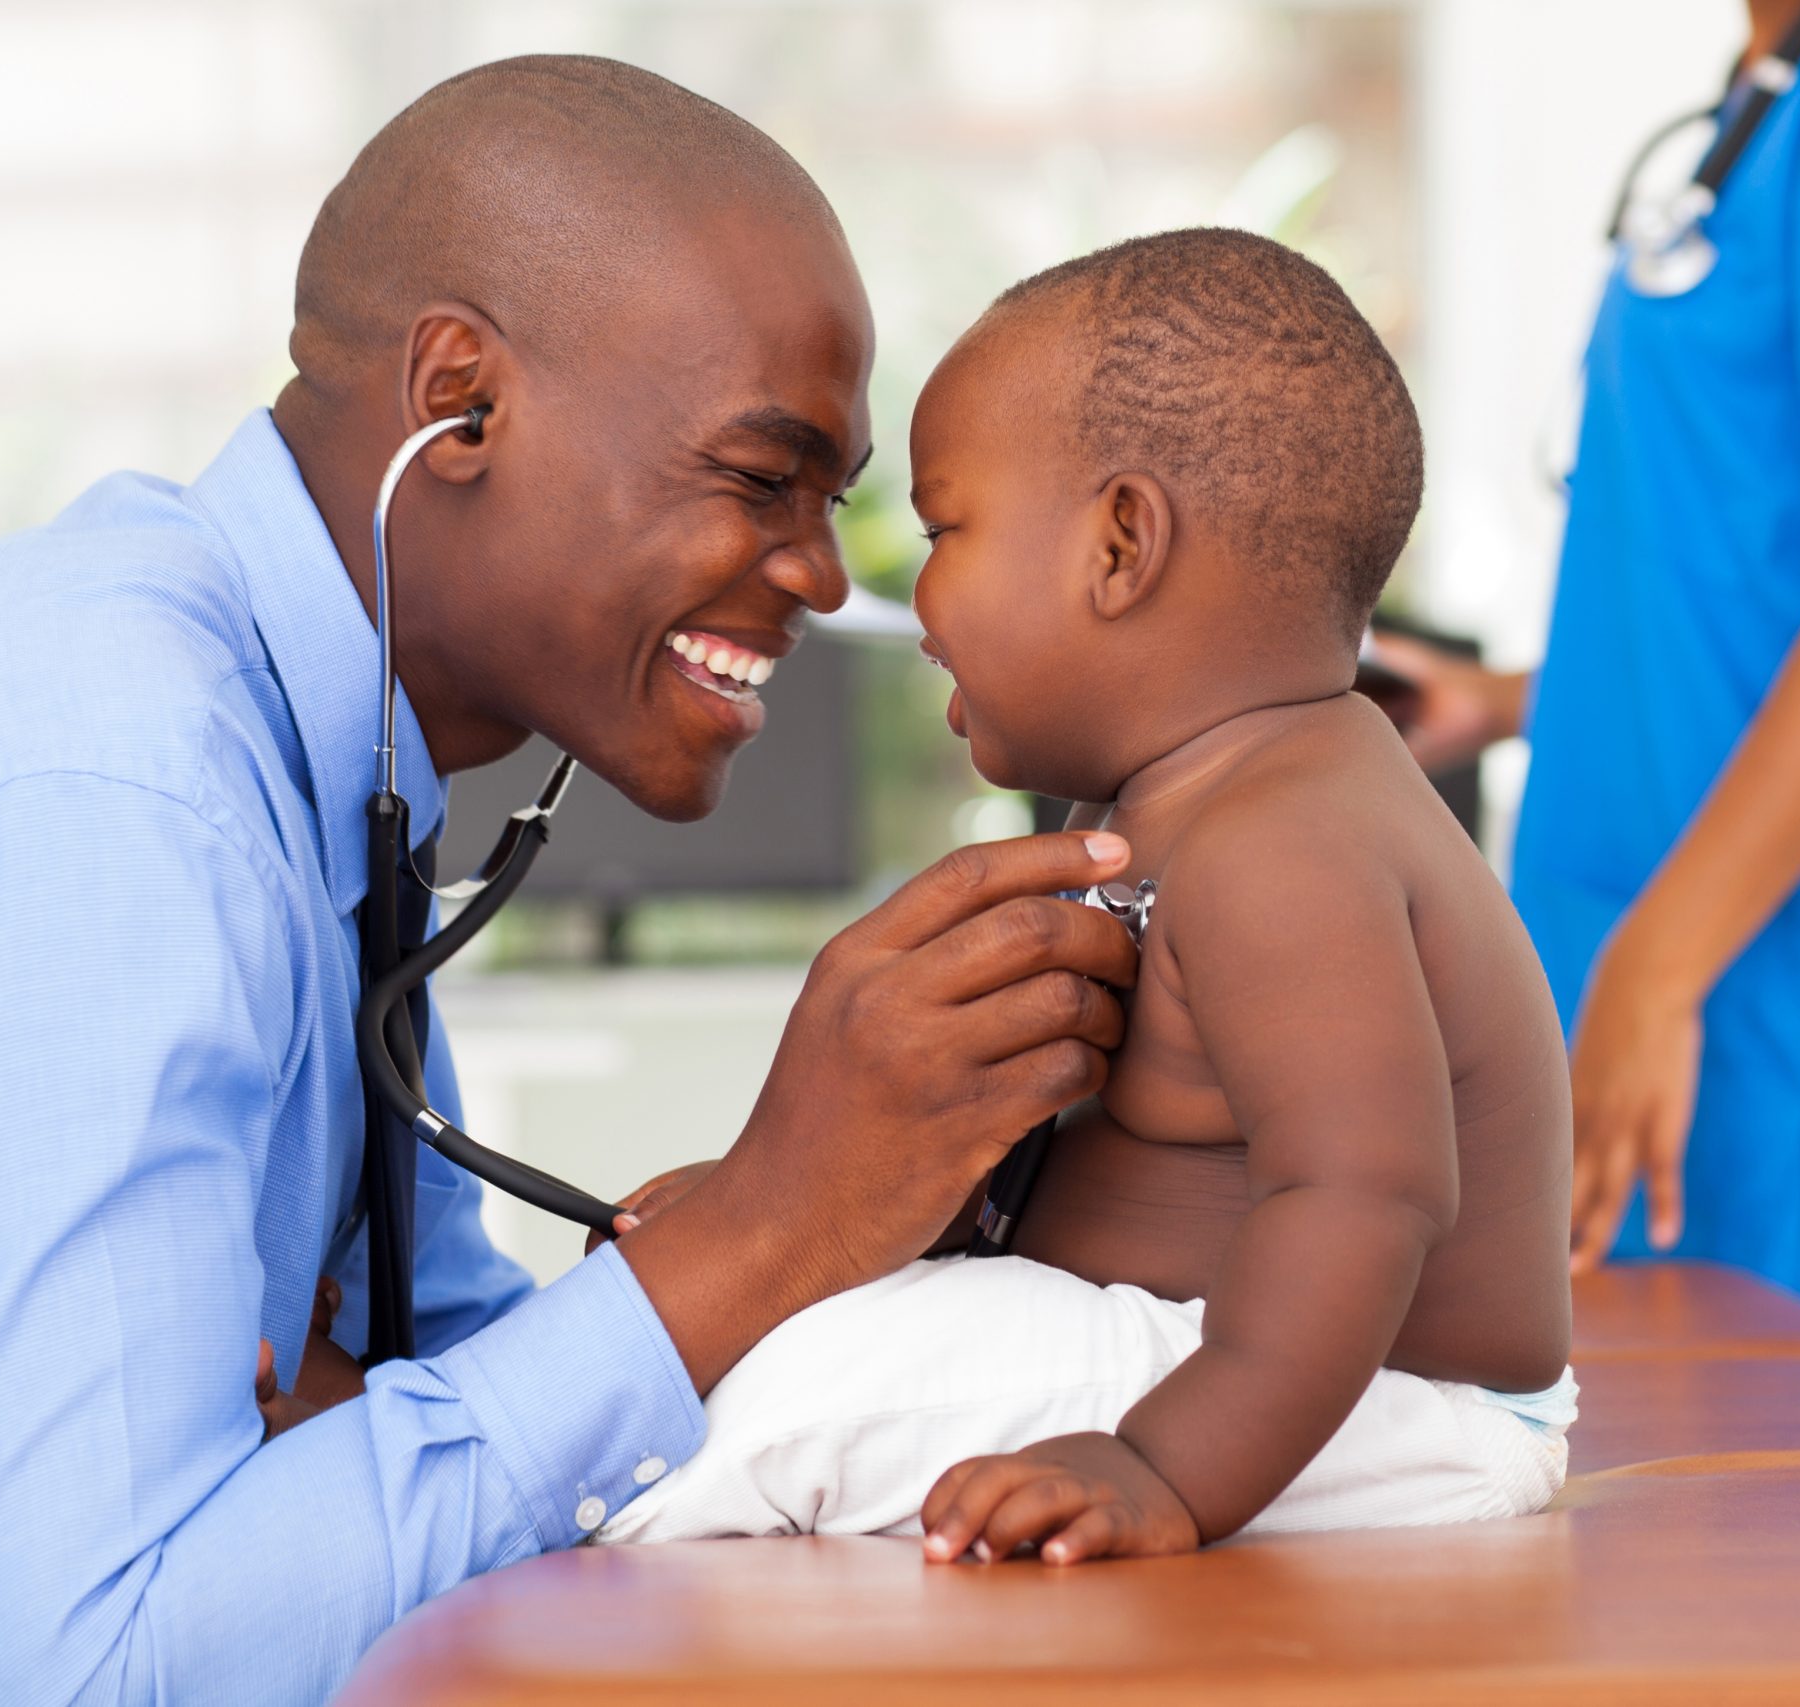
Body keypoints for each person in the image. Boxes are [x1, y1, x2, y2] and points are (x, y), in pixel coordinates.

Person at [0, 58, 1142, 1703]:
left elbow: (423, 1412)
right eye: (760, 477)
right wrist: (760, 1236)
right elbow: (103, 1662)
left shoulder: (323, 781)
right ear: (459, 403)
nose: (813, 572)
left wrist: (771, 1248)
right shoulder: (99, 801)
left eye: (830, 502)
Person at [595, 231, 1576, 1560]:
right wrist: (773, 1232)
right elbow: (1044, 1151)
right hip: (1230, 1361)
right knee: (748, 1338)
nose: (913, 597)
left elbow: (1364, 1200)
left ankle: (474, 1524)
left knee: (771, 1411)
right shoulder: (1158, 810)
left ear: (1120, 543)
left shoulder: (1285, 847)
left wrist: (1161, 1467)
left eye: (944, 528)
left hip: (1364, 1400)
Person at [1375, 0, 1800, 1419]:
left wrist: (1657, 971)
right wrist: (1512, 701)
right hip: (1681, 1003)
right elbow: (1753, 570)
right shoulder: (1777, 90)